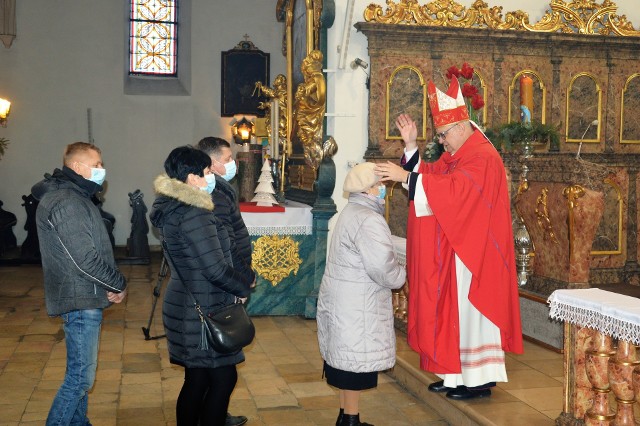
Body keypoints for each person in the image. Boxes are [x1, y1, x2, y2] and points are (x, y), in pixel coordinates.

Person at [375, 76, 523, 400]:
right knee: (454, 314)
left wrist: (405, 177)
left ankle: (478, 379)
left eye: (442, 135)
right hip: (461, 250)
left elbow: (455, 192)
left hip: (477, 255)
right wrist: (411, 148)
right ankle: (456, 376)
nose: (441, 142)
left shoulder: (482, 156)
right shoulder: (460, 153)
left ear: (459, 125)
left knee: (471, 316)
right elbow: (434, 177)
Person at [150, 146, 253, 426]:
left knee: (197, 379)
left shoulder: (173, 206)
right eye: (208, 172)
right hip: (202, 306)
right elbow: (214, 268)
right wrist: (242, 287)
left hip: (187, 300)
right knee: (222, 378)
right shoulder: (195, 212)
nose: (212, 177)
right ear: (193, 178)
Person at [32, 141, 128, 425]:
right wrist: (117, 282)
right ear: (77, 167)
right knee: (79, 379)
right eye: (96, 165)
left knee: (81, 375)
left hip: (83, 294)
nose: (102, 170)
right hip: (80, 295)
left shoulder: (73, 196)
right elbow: (84, 258)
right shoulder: (67, 201)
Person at [317, 162, 406, 426]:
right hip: (359, 304)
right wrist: (401, 274)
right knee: (353, 365)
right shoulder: (369, 219)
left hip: (347, 299)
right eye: (379, 185)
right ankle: (351, 421)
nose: (382, 190)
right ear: (367, 190)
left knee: (346, 361)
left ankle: (346, 416)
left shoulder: (352, 210)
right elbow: (383, 267)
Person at [196, 136, 255, 426]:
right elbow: (225, 244)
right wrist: (240, 280)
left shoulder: (220, 189)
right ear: (213, 163)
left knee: (208, 371)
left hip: (224, 282)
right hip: (222, 286)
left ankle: (215, 413)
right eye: (228, 158)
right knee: (220, 367)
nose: (233, 163)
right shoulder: (216, 194)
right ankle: (213, 416)